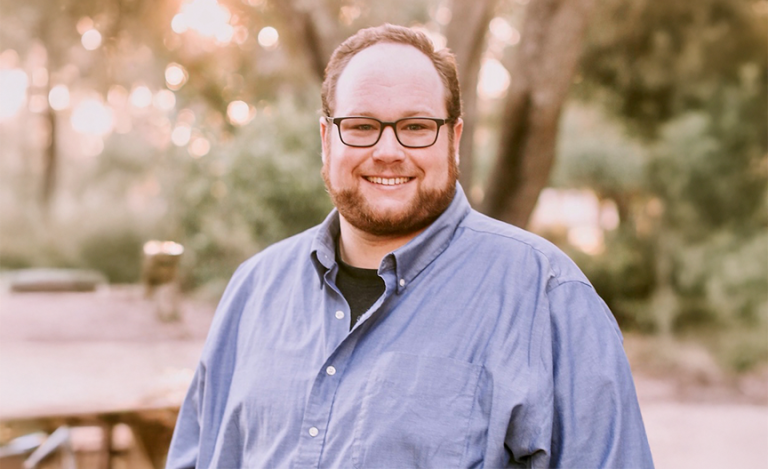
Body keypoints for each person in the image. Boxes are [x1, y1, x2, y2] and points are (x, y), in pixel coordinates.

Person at [166, 24, 654, 469]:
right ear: (327, 139)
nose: (388, 151)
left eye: (416, 127)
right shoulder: (253, 291)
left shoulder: (546, 297)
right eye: (361, 126)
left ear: (454, 139)